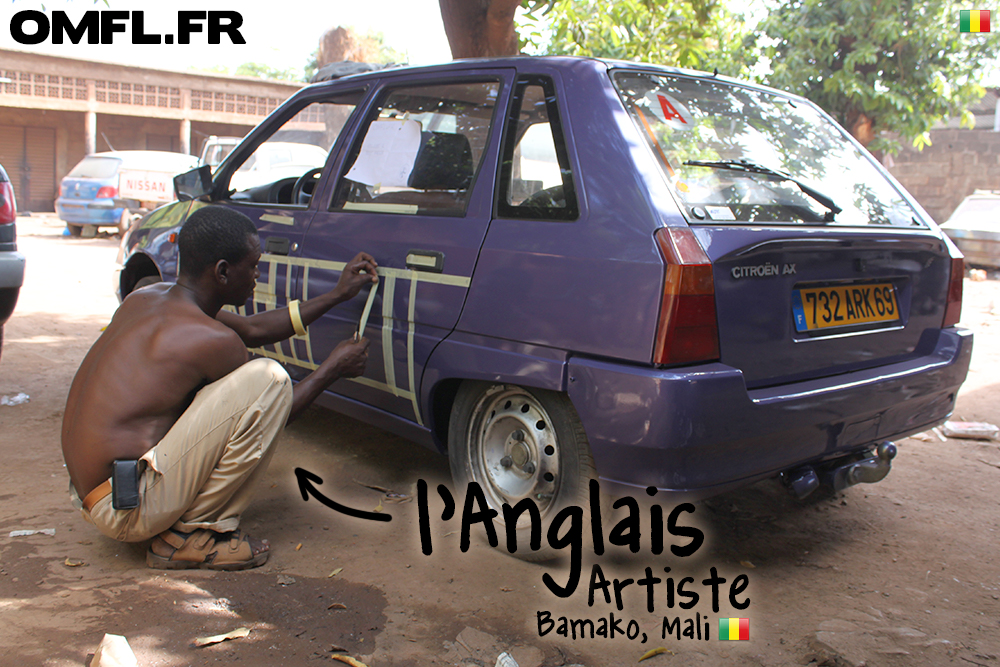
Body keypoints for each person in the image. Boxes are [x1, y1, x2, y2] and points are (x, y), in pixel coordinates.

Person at [61, 205, 377, 570]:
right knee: (269, 379)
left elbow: (255, 329)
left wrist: (338, 294)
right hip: (127, 510)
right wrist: (333, 368)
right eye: (253, 265)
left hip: (98, 492)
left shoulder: (149, 295)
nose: (258, 274)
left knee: (253, 383)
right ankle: (191, 535)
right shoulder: (212, 340)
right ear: (223, 271)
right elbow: (276, 409)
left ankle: (175, 522)